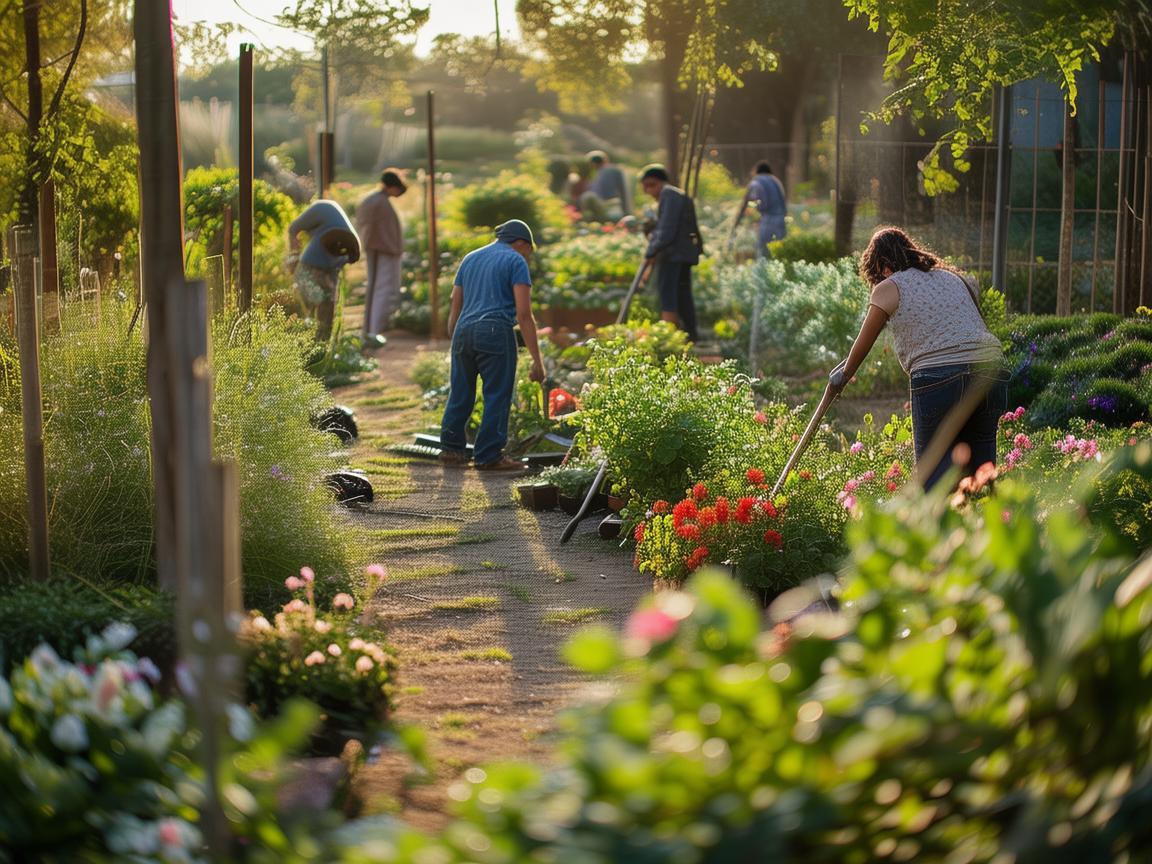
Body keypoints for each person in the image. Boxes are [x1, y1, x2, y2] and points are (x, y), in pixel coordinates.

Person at [830, 227, 1009, 490]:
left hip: (939, 378)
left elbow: (864, 343)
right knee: (983, 476)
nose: (878, 280)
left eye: (877, 274)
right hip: (990, 370)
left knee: (934, 480)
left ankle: (939, 527)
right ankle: (992, 527)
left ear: (882, 264)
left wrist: (843, 375)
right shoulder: (954, 278)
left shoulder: (889, 286)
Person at [438, 219, 545, 472]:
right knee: (497, 394)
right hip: (495, 331)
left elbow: (456, 305)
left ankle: (451, 450)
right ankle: (488, 456)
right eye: (529, 250)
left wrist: (456, 338)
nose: (528, 256)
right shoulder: (515, 260)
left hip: (463, 331)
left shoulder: (470, 258)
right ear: (521, 243)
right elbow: (524, 314)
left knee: (461, 392)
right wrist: (538, 361)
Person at [640, 164, 703, 341]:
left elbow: (667, 230)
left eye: (650, 185)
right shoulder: (674, 195)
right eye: (645, 186)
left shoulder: (669, 194)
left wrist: (651, 252)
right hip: (682, 253)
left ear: (660, 182)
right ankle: (690, 335)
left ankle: (669, 338)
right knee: (682, 295)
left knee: (668, 294)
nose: (648, 190)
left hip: (673, 254)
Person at [287, 199, 360, 341]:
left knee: (308, 304)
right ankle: (322, 342)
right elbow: (352, 256)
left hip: (314, 262)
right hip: (339, 257)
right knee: (326, 304)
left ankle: (308, 340)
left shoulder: (320, 209)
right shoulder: (330, 216)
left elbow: (293, 229)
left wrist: (293, 256)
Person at [356, 168, 408, 346]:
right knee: (382, 290)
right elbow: (375, 228)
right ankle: (373, 331)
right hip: (383, 250)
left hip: (376, 249)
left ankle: (369, 331)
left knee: (374, 289)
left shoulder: (373, 199)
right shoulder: (379, 202)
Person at [732, 161, 787, 257]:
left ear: (757, 171)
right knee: (779, 253)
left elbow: (758, 203)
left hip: (767, 221)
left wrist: (738, 221)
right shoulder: (776, 181)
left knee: (764, 253)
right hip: (781, 220)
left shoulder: (757, 181)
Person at [580, 150, 632, 221]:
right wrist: (627, 211)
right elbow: (624, 192)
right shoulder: (614, 170)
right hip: (615, 207)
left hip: (611, 207)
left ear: (593, 163)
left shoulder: (601, 173)